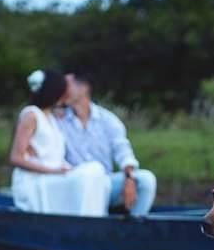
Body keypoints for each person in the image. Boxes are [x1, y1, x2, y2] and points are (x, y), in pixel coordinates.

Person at [9, 69, 110, 216]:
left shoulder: (51, 116)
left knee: (99, 174)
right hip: (36, 181)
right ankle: (84, 222)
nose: (66, 96)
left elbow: (51, 154)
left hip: (53, 177)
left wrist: (65, 168)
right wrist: (54, 171)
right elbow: (16, 158)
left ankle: (90, 220)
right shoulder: (31, 115)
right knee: (92, 170)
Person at [58, 73, 157, 216]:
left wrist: (130, 179)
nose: (62, 90)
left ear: (84, 88)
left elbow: (123, 152)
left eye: (67, 85)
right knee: (88, 182)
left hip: (105, 183)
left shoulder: (108, 120)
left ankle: (132, 229)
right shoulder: (57, 120)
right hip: (74, 183)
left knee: (146, 180)